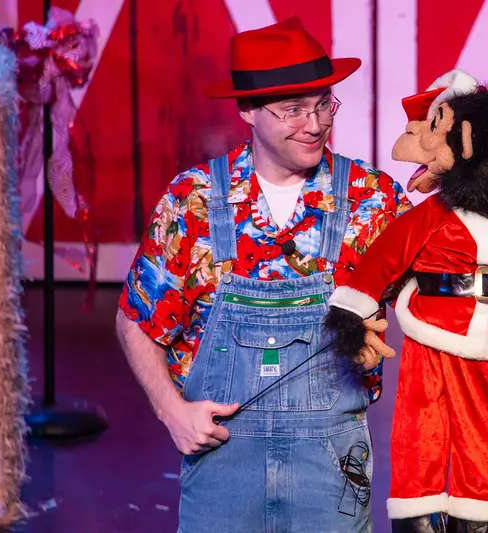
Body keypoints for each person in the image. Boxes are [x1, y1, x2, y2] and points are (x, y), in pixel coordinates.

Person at [115, 17, 410, 532]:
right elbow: (136, 320)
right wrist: (171, 412)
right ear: (247, 110)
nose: (315, 123)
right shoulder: (194, 202)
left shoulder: (373, 199)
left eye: (323, 103)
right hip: (223, 464)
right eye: (293, 109)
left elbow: (436, 289)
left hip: (331, 469)